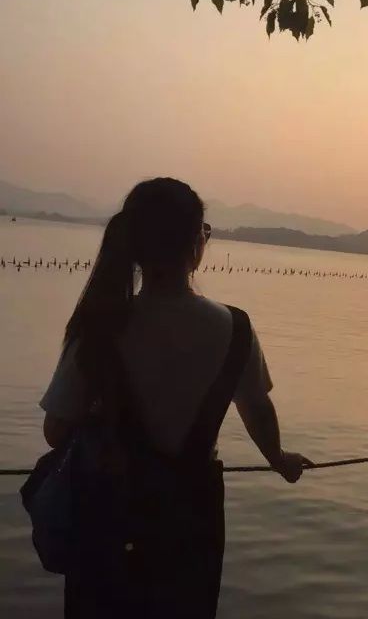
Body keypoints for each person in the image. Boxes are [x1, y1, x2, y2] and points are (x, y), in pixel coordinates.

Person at [39, 177, 312, 618]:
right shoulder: (235, 328)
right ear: (194, 244)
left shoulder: (100, 327)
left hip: (108, 523)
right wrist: (280, 459)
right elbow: (257, 409)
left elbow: (55, 431)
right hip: (191, 526)